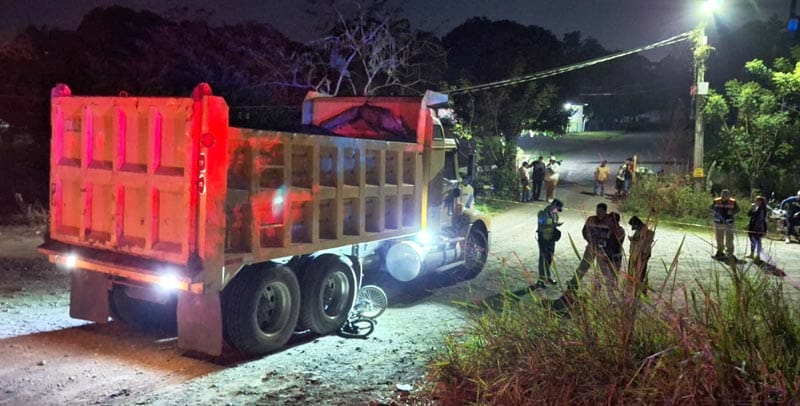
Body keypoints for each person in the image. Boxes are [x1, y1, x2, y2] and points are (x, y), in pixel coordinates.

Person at [572, 203, 621, 289]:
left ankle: (608, 287)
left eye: (600, 211)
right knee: (584, 265)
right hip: (591, 247)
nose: (598, 213)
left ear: (605, 211)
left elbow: (614, 235)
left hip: (602, 250)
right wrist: (590, 240)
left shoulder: (609, 220)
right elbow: (584, 231)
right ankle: (574, 282)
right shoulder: (591, 219)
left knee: (603, 269)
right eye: (597, 211)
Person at [536, 198, 563, 288]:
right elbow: (541, 226)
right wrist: (553, 225)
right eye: (557, 208)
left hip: (551, 239)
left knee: (549, 259)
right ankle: (541, 280)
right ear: (553, 205)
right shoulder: (542, 214)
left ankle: (548, 277)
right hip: (543, 239)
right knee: (543, 259)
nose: (557, 211)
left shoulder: (555, 215)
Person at [628, 216, 654, 296]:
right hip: (635, 255)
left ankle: (641, 292)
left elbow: (644, 243)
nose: (633, 228)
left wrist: (633, 240)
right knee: (631, 274)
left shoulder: (648, 233)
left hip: (641, 256)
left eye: (633, 226)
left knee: (640, 275)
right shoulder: (639, 231)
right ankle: (633, 291)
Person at [711, 189, 740, 261]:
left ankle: (730, 254)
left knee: (729, 239)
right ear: (721, 195)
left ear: (729, 196)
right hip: (718, 223)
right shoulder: (716, 201)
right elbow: (711, 208)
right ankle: (720, 252)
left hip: (729, 223)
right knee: (719, 238)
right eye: (723, 194)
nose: (724, 196)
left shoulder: (733, 202)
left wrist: (732, 212)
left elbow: (738, 209)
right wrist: (715, 213)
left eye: (726, 195)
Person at [746, 195, 768, 261]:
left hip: (759, 227)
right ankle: (752, 254)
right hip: (752, 225)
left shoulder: (762, 209)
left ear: (761, 202)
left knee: (758, 241)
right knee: (752, 240)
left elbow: (758, 216)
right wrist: (752, 208)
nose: (756, 202)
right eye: (756, 201)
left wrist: (763, 229)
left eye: (758, 201)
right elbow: (749, 214)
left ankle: (758, 255)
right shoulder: (755, 207)